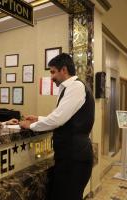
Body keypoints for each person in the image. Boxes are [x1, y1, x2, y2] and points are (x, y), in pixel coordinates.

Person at [20, 53, 95, 200]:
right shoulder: (68, 88)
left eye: (53, 72)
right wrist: (39, 118)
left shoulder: (75, 87)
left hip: (75, 157)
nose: (51, 77)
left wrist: (31, 125)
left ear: (64, 70)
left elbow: (58, 120)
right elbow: (64, 117)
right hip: (70, 156)